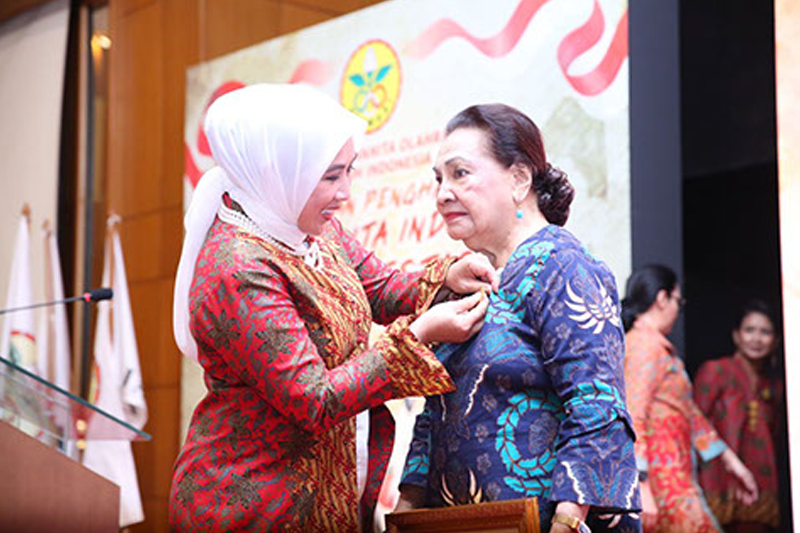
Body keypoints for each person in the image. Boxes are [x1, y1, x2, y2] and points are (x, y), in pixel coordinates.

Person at [168, 84, 499, 532]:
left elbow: (381, 287)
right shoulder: (237, 268)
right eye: (329, 177)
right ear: (277, 172)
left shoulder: (311, 229)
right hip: (253, 504)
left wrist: (447, 277)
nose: (345, 192)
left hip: (327, 490)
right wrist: (419, 335)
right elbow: (314, 399)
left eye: (349, 171)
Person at [396, 103, 641, 533]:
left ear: (519, 179)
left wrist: (567, 523)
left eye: (460, 173)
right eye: (438, 179)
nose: (443, 193)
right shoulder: (466, 281)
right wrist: (404, 513)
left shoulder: (563, 266)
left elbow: (596, 408)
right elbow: (432, 417)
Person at [622, 265, 759, 533]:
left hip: (673, 477)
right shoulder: (644, 345)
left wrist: (730, 462)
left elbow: (688, 411)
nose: (678, 309)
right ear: (662, 299)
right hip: (661, 483)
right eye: (678, 301)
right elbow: (633, 413)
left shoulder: (655, 346)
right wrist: (641, 484)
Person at [694, 300, 783, 532]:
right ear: (736, 335)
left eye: (765, 332)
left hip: (761, 484)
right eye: (749, 330)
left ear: (776, 341)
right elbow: (694, 423)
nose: (756, 339)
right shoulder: (716, 371)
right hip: (719, 481)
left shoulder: (775, 386)